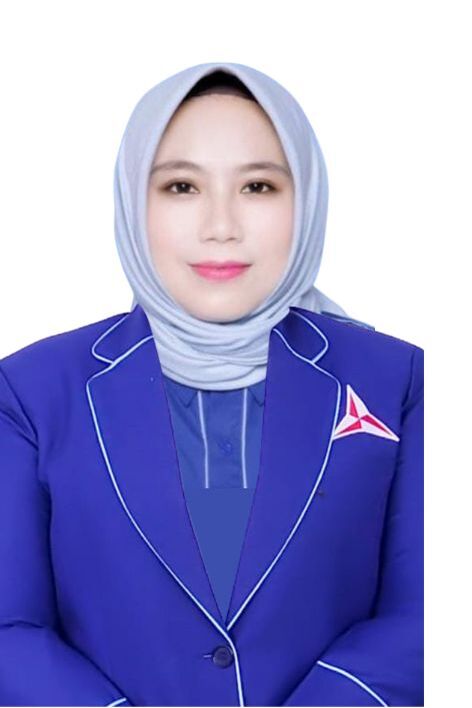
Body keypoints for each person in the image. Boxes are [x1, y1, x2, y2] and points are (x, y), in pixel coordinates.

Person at [0, 61, 424, 707]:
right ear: (133, 203)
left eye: (257, 186)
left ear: (306, 199)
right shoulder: (30, 393)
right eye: (181, 187)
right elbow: (9, 630)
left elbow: (430, 611)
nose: (220, 225)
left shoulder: (398, 380)